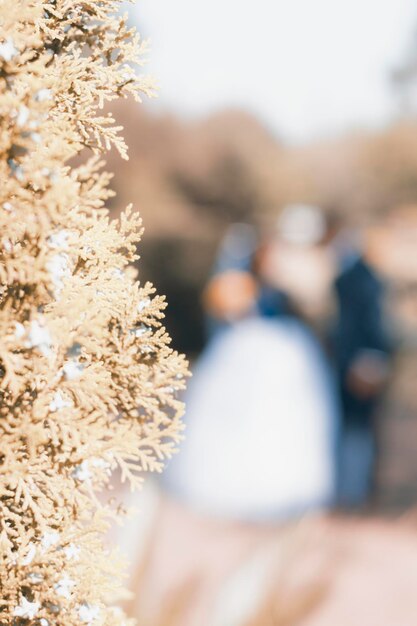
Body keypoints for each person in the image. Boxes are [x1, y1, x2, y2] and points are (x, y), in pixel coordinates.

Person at [326, 213, 392, 507]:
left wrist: (367, 359)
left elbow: (363, 324)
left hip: (359, 360)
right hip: (358, 359)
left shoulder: (358, 278)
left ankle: (354, 489)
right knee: (358, 426)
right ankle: (355, 488)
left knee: (358, 426)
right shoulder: (361, 277)